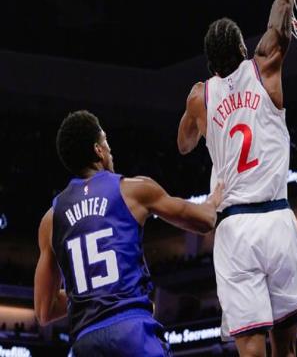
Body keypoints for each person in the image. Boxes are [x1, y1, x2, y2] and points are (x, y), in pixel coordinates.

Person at [177, 0, 297, 357]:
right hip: (276, 218)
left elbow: (184, 146)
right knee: (286, 348)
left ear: (209, 63)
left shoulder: (200, 96)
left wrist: (194, 115)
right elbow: (284, 0)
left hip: (234, 227)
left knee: (250, 348)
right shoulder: (265, 66)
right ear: (241, 48)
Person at [34, 110, 223, 356]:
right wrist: (214, 199)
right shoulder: (133, 190)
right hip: (131, 331)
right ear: (98, 151)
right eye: (106, 141)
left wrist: (90, 292)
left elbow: (44, 310)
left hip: (86, 342)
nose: (110, 149)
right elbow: (205, 221)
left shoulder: (50, 220)